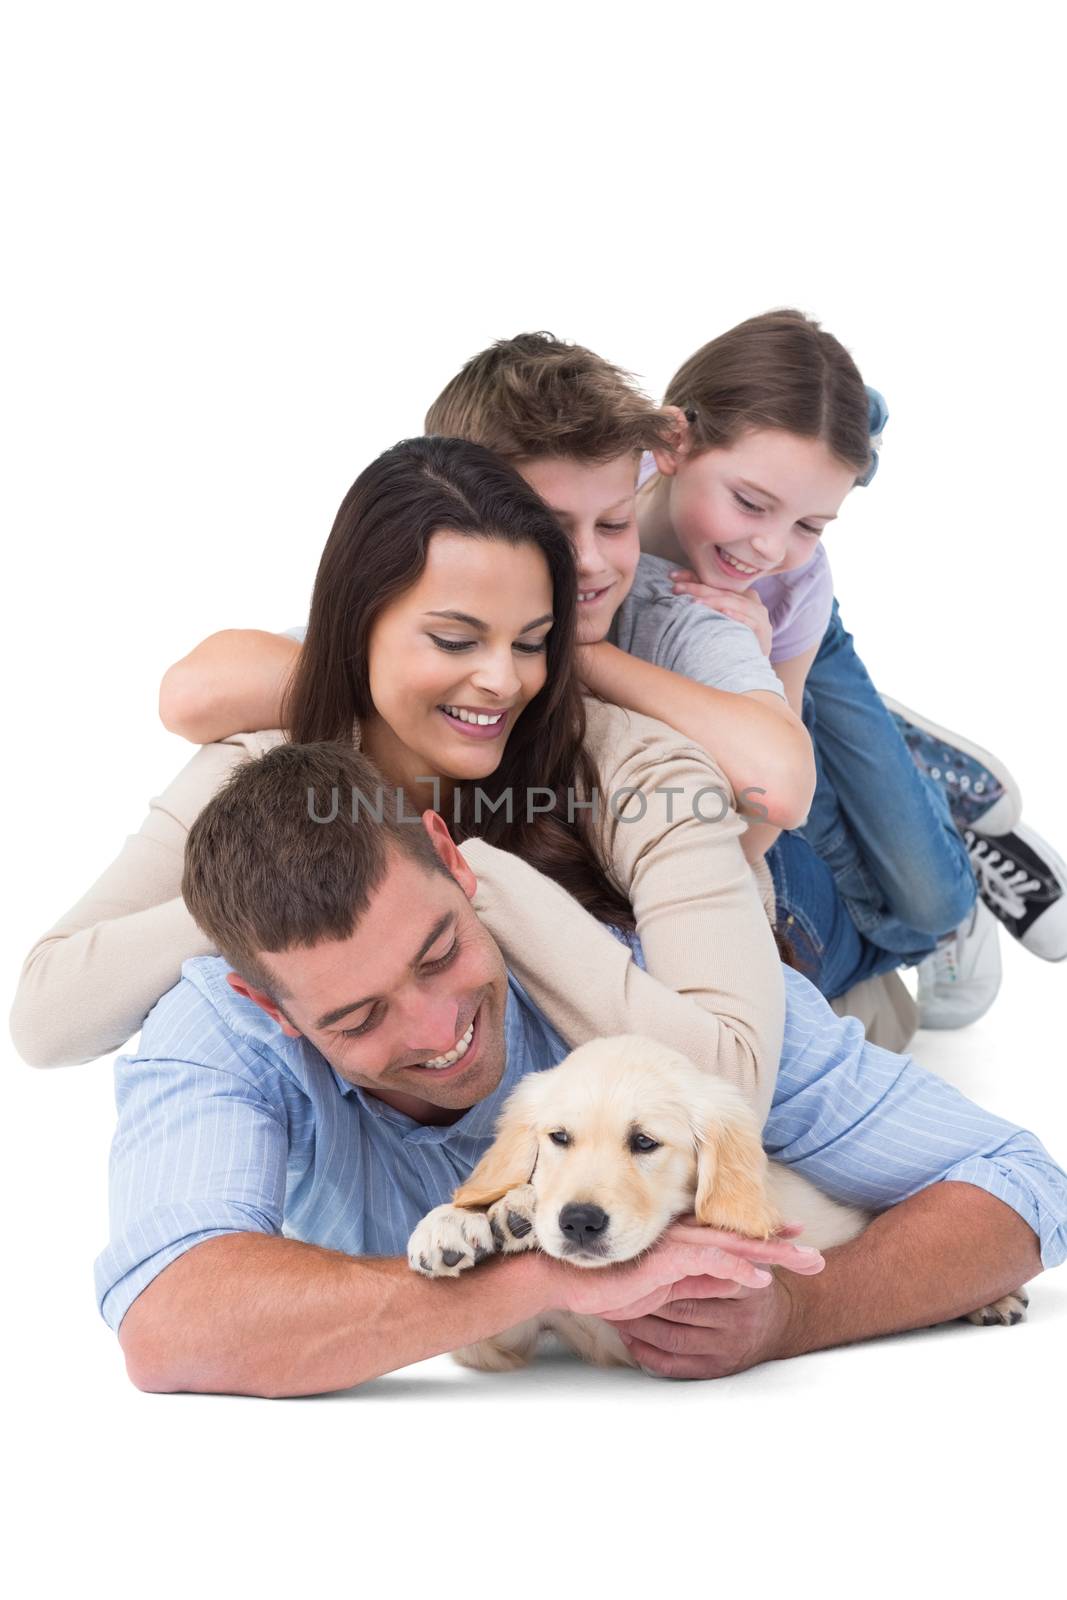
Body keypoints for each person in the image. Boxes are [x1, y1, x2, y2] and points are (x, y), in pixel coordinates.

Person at [101, 740, 1067, 1396]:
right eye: (356, 1017)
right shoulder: (219, 1031)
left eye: (440, 954)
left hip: (785, 938)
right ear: (268, 1007)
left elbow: (1024, 1189)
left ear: (453, 858)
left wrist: (796, 1314)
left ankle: (929, 880)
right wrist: (537, 1278)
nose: (440, 1030)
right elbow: (169, 1318)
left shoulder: (651, 993)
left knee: (872, 994)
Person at [10, 436, 786, 1119]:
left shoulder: (638, 771)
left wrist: (463, 877)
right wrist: (277, 895)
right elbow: (46, 1021)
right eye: (454, 640)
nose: (501, 681)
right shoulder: (265, 767)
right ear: (353, 629)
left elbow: (734, 1090)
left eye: (531, 643)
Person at [638, 310, 1067, 1021]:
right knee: (912, 914)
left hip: (787, 636)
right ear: (670, 445)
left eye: (809, 524)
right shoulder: (604, 502)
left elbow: (772, 786)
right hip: (747, 676)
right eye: (749, 503)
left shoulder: (793, 578)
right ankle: (897, 759)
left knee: (938, 900)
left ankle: (920, 786)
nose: (770, 546)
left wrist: (762, 660)